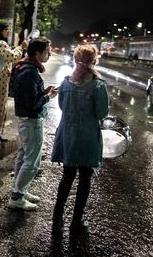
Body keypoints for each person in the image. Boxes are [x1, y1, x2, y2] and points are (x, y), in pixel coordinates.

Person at [51, 45, 109, 233]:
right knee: (85, 177)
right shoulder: (98, 85)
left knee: (67, 176)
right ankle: (76, 221)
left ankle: (57, 216)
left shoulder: (66, 83)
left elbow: (61, 106)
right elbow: (102, 113)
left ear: (76, 60)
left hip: (67, 134)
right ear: (94, 61)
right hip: (87, 137)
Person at [8, 37, 57, 210]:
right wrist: (48, 97)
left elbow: (29, 96)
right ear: (37, 53)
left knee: (23, 157)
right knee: (32, 161)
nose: (49, 55)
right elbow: (33, 103)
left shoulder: (23, 67)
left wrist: (43, 92)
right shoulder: (29, 72)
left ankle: (20, 189)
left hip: (25, 119)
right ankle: (17, 196)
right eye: (47, 52)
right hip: (31, 120)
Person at [0, 20, 28, 145]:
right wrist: (21, 48)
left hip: (1, 78)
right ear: (1, 31)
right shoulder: (1, 42)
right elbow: (11, 57)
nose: (9, 31)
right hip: (0, 79)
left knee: (0, 106)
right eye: (7, 29)